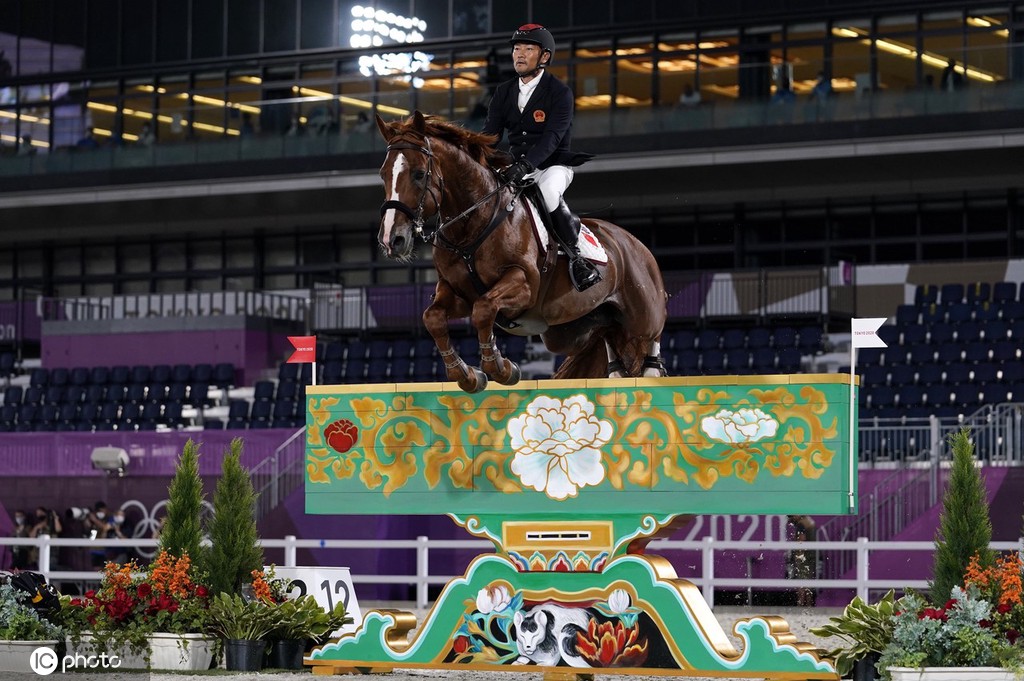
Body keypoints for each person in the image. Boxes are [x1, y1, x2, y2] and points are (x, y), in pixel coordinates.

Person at [482, 23, 600, 292]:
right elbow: (490, 135)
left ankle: (577, 258)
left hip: (553, 165)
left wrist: (525, 165)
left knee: (547, 192)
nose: (519, 55)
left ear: (544, 56)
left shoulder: (559, 92)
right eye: (516, 49)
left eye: (528, 49)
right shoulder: (503, 92)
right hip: (516, 167)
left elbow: (553, 138)